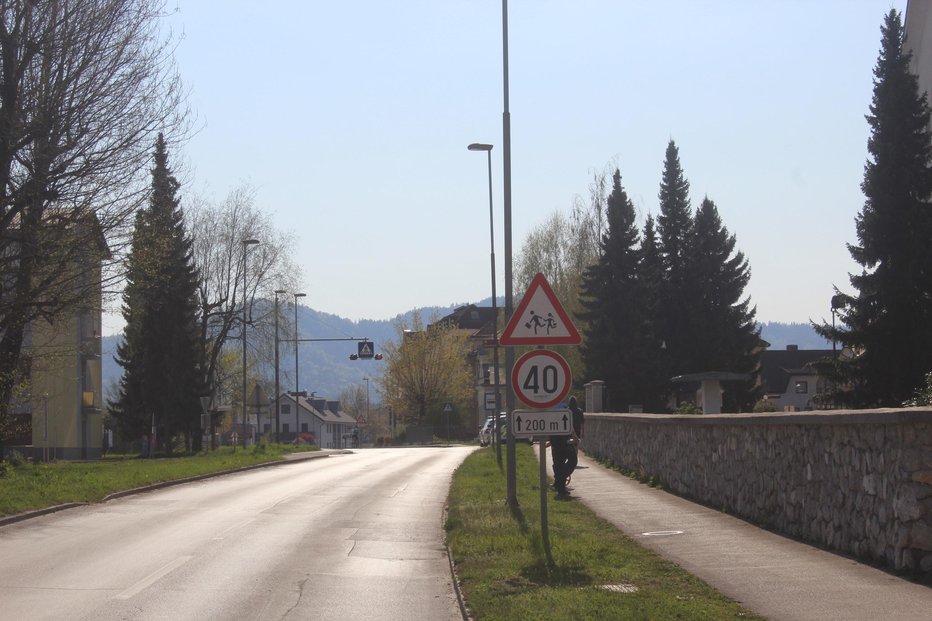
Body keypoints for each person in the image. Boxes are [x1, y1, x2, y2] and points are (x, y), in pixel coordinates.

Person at [551, 395, 585, 495]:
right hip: (561, 440)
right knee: (570, 460)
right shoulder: (566, 409)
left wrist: (574, 438)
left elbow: (568, 425)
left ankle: (559, 483)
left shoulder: (563, 409)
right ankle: (560, 483)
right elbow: (569, 425)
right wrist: (575, 438)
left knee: (558, 463)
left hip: (558, 440)